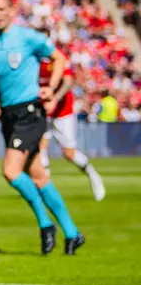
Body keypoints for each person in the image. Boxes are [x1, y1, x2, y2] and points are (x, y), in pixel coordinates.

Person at [0, 0, 83, 255]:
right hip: (8, 115)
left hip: (30, 112)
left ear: (12, 10)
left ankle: (46, 224)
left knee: (11, 171)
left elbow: (58, 58)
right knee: (38, 176)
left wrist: (52, 87)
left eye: (2, 9)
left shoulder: (27, 37)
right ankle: (72, 233)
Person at [38, 55, 105, 201]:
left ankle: (92, 174)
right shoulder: (32, 58)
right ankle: (45, 188)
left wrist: (54, 99)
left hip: (63, 113)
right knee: (40, 147)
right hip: (42, 111)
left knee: (69, 153)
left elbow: (68, 82)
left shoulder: (58, 57)